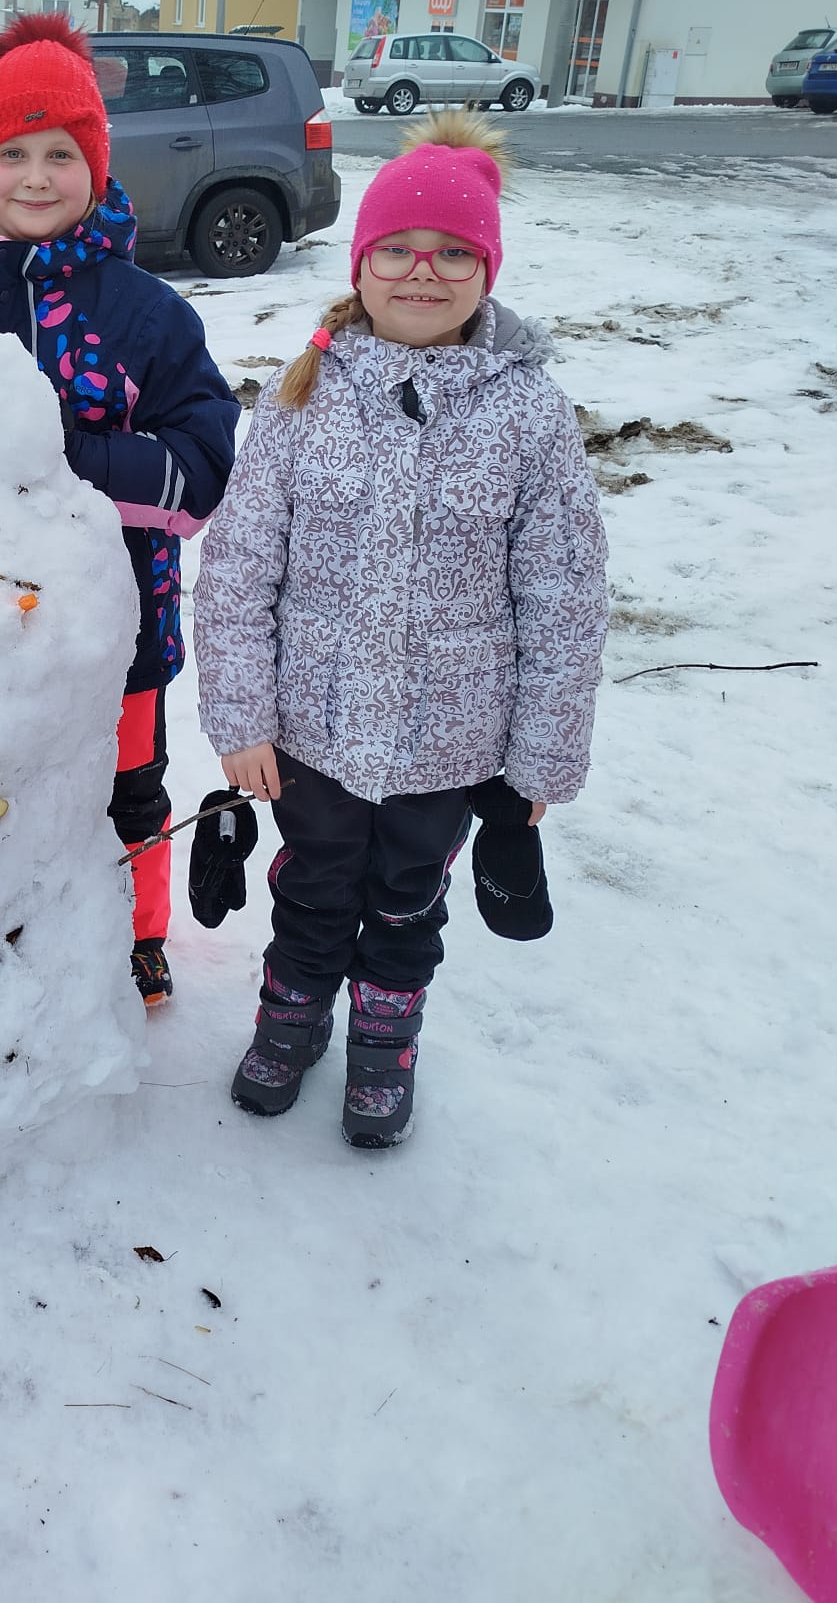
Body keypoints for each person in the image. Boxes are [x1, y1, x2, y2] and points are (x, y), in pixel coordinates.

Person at [194, 112, 608, 1147]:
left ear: (487, 270)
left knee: (408, 896)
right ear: (362, 263)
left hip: (450, 743)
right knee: (315, 885)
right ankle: (292, 1015)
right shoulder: (302, 395)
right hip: (313, 732)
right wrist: (242, 716)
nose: (424, 272)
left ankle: (386, 1037)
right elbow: (238, 566)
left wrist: (539, 760)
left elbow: (564, 598)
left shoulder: (529, 414)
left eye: (453, 253)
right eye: (399, 250)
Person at [0, 12, 238, 1006]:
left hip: (113, 631)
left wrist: (58, 452)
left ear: (95, 165)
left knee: (128, 789)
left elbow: (202, 470)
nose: (35, 178)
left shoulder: (148, 314)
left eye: (60, 155)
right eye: (12, 154)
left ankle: (138, 932)